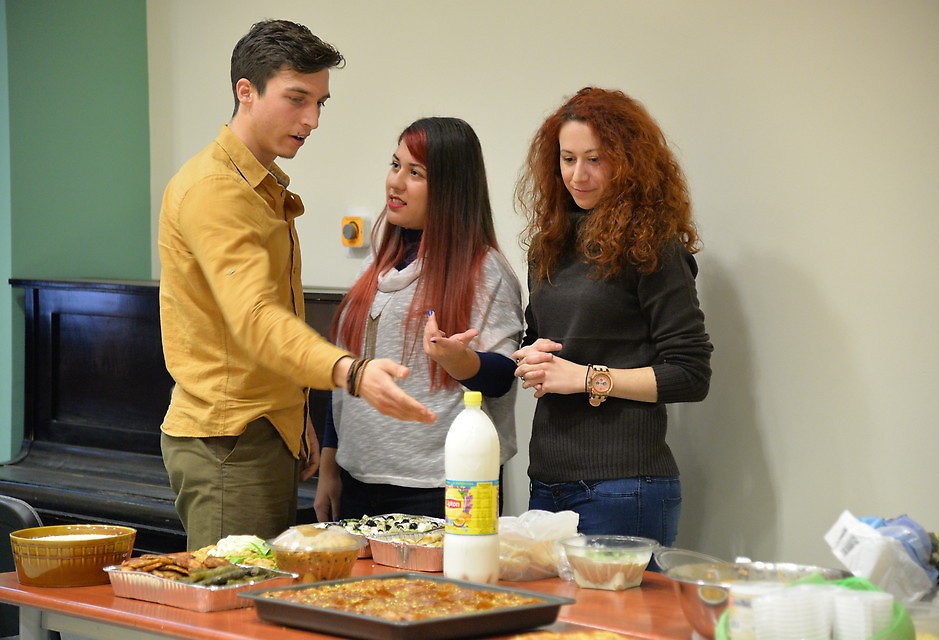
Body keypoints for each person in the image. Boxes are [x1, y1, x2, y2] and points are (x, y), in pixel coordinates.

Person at [158, 19, 435, 551]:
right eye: (296, 99)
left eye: (320, 103)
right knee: (235, 599)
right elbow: (255, 316)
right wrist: (351, 372)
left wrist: (291, 416)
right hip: (229, 440)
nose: (312, 120)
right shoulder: (217, 190)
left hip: (260, 429)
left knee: (264, 593)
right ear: (246, 92)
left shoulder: (257, 185)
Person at [512, 87, 713, 547]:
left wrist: (586, 379)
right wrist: (529, 357)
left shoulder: (654, 247)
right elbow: (540, 337)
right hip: (547, 479)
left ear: (628, 163)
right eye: (567, 159)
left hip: (624, 486)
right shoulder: (549, 244)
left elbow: (691, 374)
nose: (577, 175)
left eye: (595, 160)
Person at [314, 117, 523, 522]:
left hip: (442, 488)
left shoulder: (483, 269)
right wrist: (329, 467)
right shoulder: (374, 269)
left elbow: (503, 377)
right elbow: (347, 375)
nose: (395, 183)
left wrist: (460, 361)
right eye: (395, 165)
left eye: (415, 173)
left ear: (450, 188)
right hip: (358, 480)